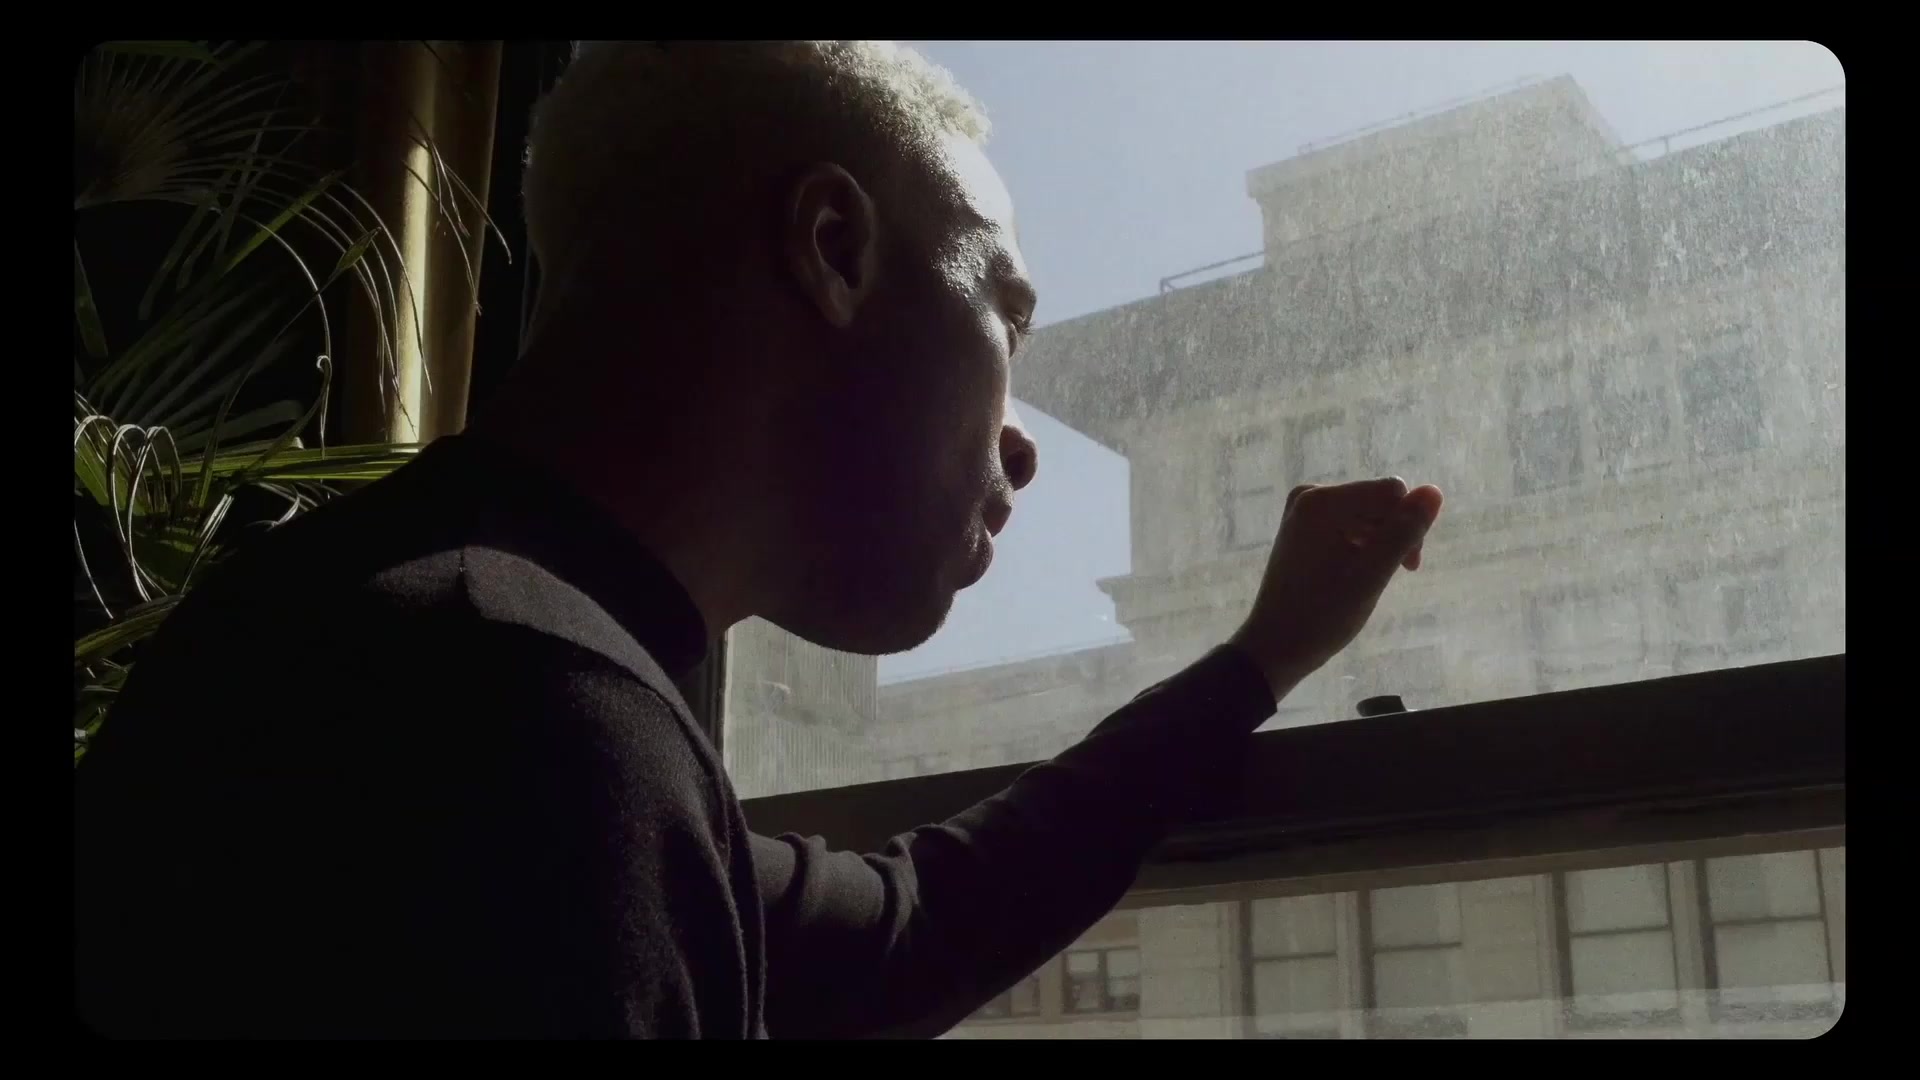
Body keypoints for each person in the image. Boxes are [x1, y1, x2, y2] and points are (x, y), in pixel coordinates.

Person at [73, 41, 1443, 1039]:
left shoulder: (397, 641)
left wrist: (1259, 659)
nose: (1021, 443)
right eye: (1004, 321)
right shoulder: (524, 722)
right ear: (832, 246)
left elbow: (914, 922)